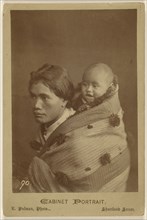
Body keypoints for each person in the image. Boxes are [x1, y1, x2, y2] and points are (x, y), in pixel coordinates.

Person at [14, 63, 130, 192]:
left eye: (44, 97)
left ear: (64, 100)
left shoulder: (77, 134)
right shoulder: (45, 127)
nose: (36, 105)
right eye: (33, 96)